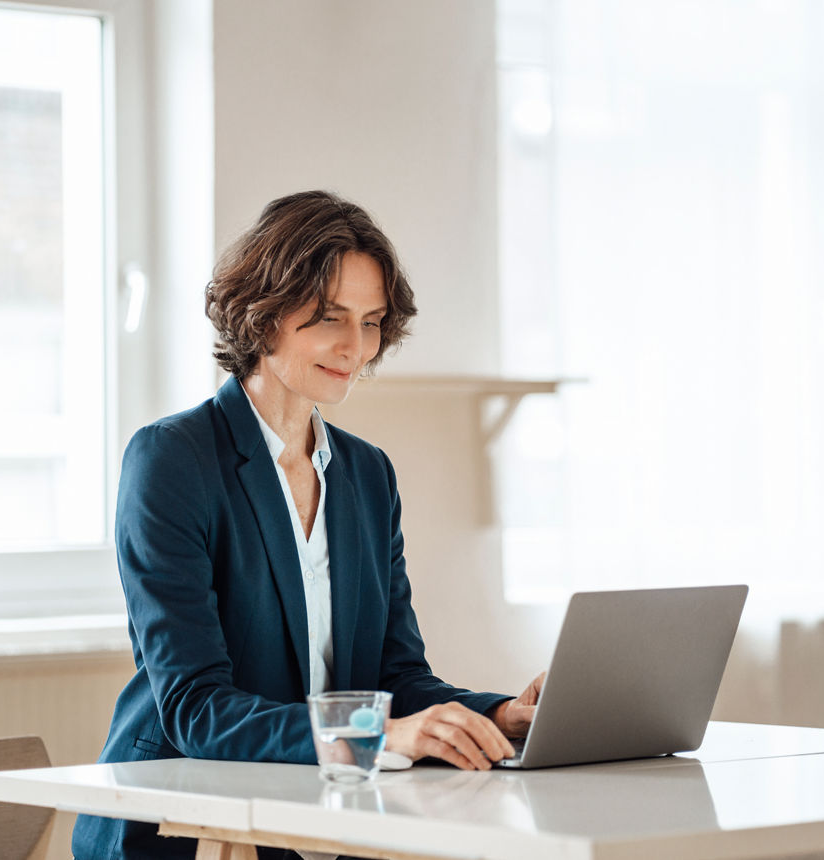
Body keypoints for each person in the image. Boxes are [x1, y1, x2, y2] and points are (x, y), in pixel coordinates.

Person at [72, 190, 544, 860]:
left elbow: (396, 678)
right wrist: (378, 734)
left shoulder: (367, 475)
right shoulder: (171, 460)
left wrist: (498, 717)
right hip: (183, 829)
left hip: (320, 817)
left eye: (373, 321)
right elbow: (194, 707)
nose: (356, 347)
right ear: (263, 315)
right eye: (330, 317)